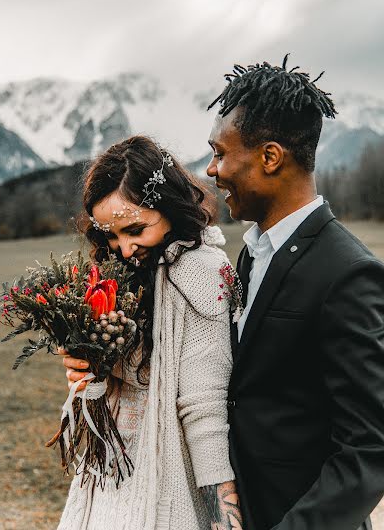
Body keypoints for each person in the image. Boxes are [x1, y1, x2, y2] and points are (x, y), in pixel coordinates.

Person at [206, 56, 384, 530]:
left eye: (220, 154)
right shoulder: (248, 255)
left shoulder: (348, 273)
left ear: (269, 157)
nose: (211, 170)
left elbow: (369, 448)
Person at [57, 135, 243, 530]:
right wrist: (85, 369)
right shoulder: (121, 273)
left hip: (167, 478)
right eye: (110, 235)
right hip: (110, 472)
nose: (124, 248)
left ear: (170, 208)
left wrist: (223, 520)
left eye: (136, 230)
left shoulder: (199, 272)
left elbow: (204, 407)